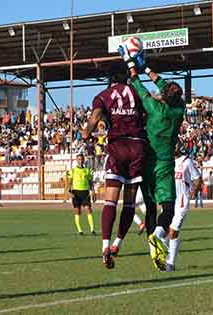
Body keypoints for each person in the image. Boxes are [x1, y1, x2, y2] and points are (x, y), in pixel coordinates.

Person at [120, 43, 185, 270]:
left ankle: (152, 243)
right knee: (168, 208)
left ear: (163, 96)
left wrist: (131, 64)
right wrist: (146, 68)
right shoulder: (180, 110)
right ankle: (158, 235)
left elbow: (139, 86)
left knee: (149, 205)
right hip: (166, 163)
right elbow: (165, 86)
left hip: (148, 162)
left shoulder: (154, 109)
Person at [81, 62, 146, 269]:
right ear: (126, 77)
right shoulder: (136, 92)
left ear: (110, 79)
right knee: (129, 203)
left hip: (117, 147)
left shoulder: (103, 95)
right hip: (137, 148)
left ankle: (105, 246)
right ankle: (118, 243)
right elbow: (150, 110)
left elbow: (95, 118)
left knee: (110, 202)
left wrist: (86, 133)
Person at [158, 144, 202, 272]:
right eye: (172, 143)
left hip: (182, 202)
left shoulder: (186, 161)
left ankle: (170, 264)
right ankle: (174, 247)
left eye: (176, 143)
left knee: (173, 232)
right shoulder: (166, 162)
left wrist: (194, 190)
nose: (174, 146)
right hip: (168, 202)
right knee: (160, 234)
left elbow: (198, 179)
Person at [66, 154, 96, 235]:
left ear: (83, 160)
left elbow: (90, 181)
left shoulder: (87, 170)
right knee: (77, 211)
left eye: (82, 159)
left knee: (88, 209)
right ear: (77, 160)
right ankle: (80, 230)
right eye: (79, 159)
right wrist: (68, 191)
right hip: (75, 192)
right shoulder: (73, 170)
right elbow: (70, 181)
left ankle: (92, 229)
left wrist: (93, 191)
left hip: (85, 192)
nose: (81, 161)